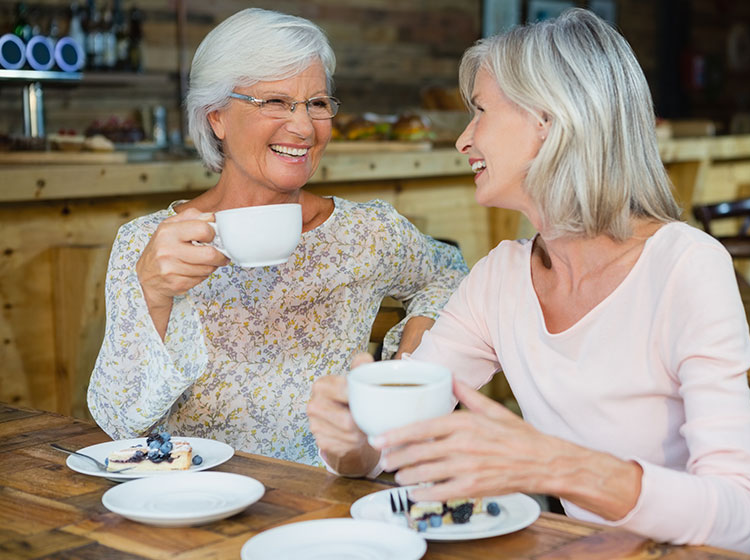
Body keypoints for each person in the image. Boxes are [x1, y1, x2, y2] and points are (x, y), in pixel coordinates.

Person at [307, 9, 750, 559]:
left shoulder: (686, 266)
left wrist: (552, 463)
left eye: (481, 112)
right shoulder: (500, 279)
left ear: (548, 119)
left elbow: (745, 516)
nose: (464, 139)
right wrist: (350, 440)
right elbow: (387, 444)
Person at [87, 8, 467, 466]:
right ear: (216, 118)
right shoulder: (150, 245)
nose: (304, 128)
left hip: (327, 497)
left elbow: (448, 271)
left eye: (317, 103)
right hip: (195, 501)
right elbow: (117, 422)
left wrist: (415, 347)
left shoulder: (365, 234)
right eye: (274, 102)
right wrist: (153, 294)